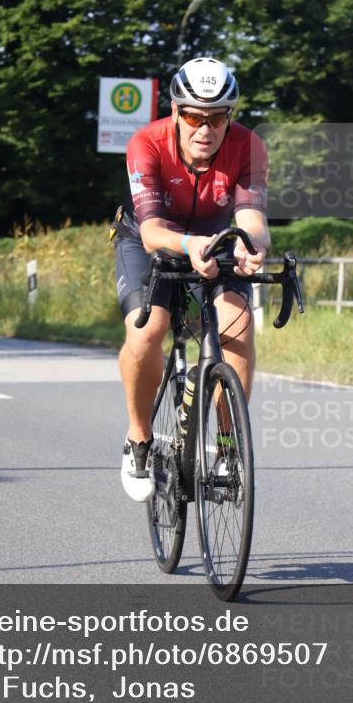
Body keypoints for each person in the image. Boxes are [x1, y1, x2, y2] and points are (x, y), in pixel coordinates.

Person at [113, 57, 269, 501]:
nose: (206, 128)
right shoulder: (147, 143)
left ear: (229, 116)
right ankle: (139, 439)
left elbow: (253, 218)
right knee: (148, 330)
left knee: (236, 325)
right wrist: (188, 246)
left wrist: (252, 246)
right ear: (177, 112)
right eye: (196, 117)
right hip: (150, 241)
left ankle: (225, 446)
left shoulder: (249, 147)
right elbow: (150, 231)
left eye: (218, 117)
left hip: (217, 240)